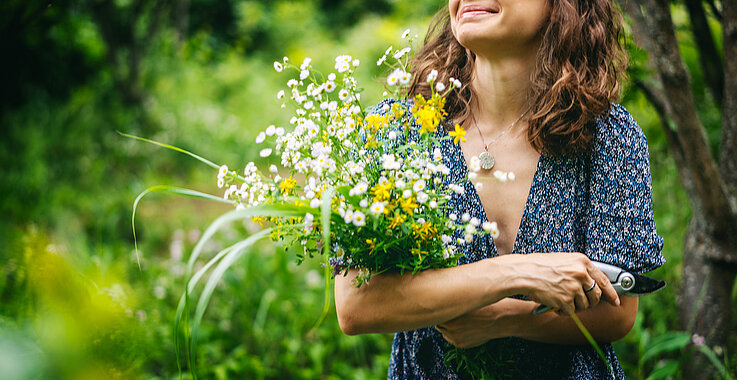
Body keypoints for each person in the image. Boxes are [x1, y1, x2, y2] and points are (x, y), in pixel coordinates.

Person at [334, 0, 665, 378]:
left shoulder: (609, 137)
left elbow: (617, 310)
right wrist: (516, 273)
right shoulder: (396, 132)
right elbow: (356, 304)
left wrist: (504, 319)